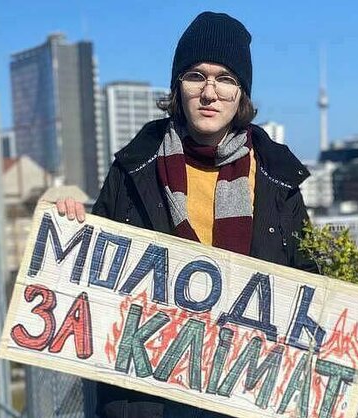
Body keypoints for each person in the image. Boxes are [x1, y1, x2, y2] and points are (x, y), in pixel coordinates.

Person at [57, 11, 316, 418]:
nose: (209, 92)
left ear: (241, 93)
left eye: (225, 79)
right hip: (150, 398)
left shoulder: (276, 177)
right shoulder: (133, 169)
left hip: (245, 396)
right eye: (196, 76)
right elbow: (91, 280)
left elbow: (308, 281)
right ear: (178, 86)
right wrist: (71, 228)